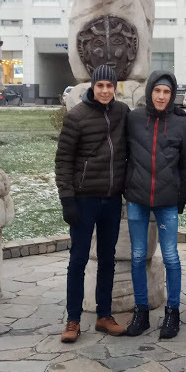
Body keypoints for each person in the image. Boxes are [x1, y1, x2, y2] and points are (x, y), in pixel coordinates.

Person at [55, 65, 129, 343]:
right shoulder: (76, 117)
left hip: (111, 198)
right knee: (78, 259)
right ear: (93, 87)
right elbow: (63, 161)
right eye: (101, 86)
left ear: (115, 87)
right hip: (84, 199)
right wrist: (67, 200)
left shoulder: (122, 113)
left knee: (108, 259)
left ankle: (104, 315)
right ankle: (73, 319)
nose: (105, 90)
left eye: (110, 86)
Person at [123, 70, 186, 339]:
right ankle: (141, 311)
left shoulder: (181, 124)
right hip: (137, 198)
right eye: (157, 91)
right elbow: (124, 153)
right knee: (138, 255)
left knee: (171, 256)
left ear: (172, 95)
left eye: (166, 92)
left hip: (167, 200)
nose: (161, 96)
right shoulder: (134, 119)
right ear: (150, 91)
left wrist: (181, 199)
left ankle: (172, 312)